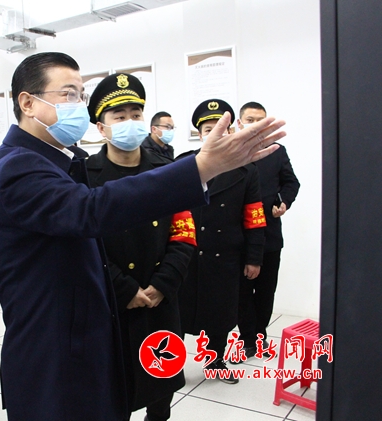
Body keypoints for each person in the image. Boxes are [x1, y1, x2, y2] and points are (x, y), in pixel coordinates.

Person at [0, 52, 285, 421]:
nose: (79, 104)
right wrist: (202, 167)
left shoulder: (54, 161)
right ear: (28, 103)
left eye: (80, 94)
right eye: (68, 94)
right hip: (55, 353)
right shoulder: (19, 166)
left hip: (81, 337)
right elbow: (91, 211)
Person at [86, 74, 196, 421]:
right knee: (115, 388)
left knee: (161, 386)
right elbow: (85, 245)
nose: (129, 122)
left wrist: (164, 283)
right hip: (113, 300)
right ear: (101, 128)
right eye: (119, 117)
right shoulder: (85, 176)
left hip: (160, 298)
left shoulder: (167, 171)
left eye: (135, 115)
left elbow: (184, 233)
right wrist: (124, 288)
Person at [176, 99, 266, 384]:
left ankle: (215, 360)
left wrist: (254, 258)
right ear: (200, 134)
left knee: (221, 313)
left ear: (230, 132)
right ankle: (172, 364)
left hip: (225, 255)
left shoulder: (247, 171)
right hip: (185, 254)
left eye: (222, 128)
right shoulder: (183, 164)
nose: (216, 133)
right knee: (178, 312)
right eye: (208, 129)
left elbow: (254, 217)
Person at [234, 101, 300, 360]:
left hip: (269, 233)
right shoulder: (232, 152)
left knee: (265, 290)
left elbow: (291, 182)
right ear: (239, 123)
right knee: (241, 292)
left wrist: (283, 201)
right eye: (250, 120)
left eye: (260, 120)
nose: (255, 125)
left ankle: (259, 335)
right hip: (239, 234)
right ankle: (246, 339)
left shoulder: (276, 151)